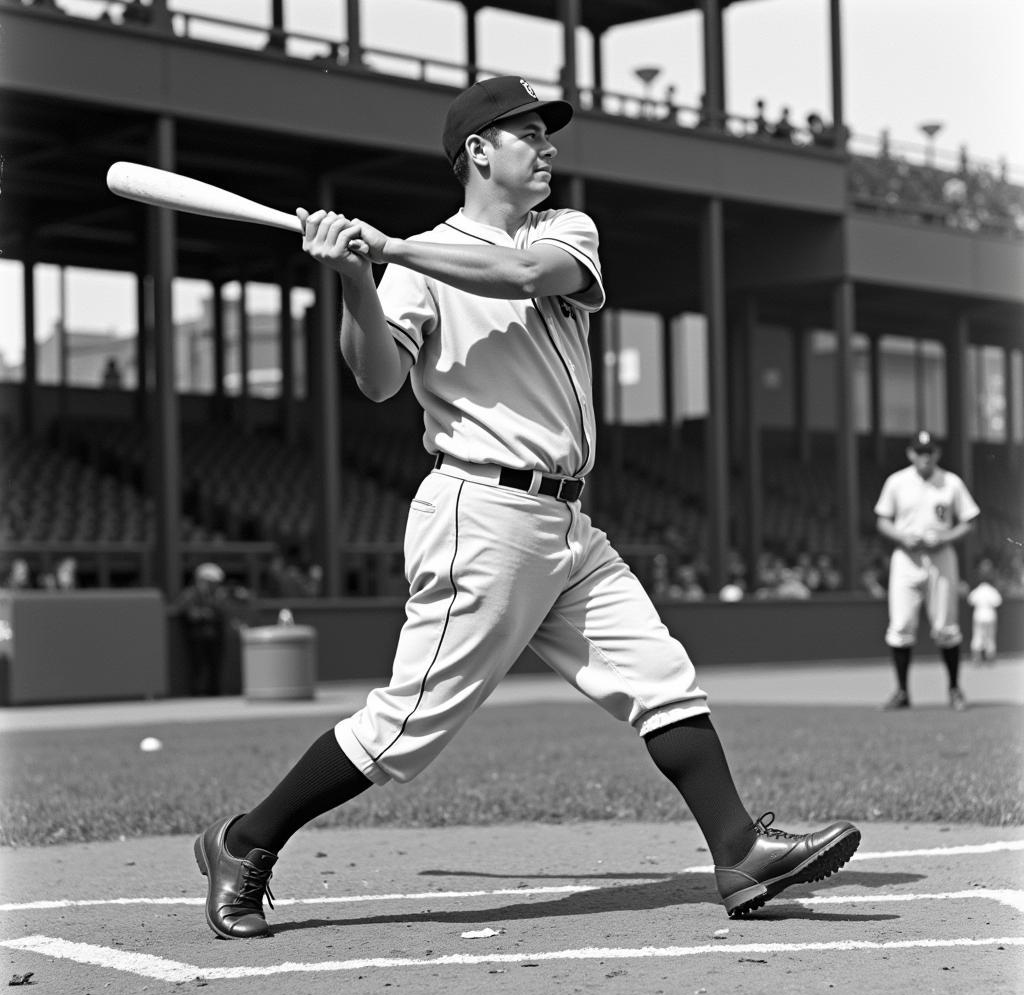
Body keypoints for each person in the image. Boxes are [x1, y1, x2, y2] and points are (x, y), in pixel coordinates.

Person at [194, 75, 860, 940]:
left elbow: (515, 274)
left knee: (660, 677)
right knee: (404, 730)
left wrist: (389, 247)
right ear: (477, 151)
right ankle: (243, 842)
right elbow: (377, 380)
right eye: (526, 135)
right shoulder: (414, 266)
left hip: (570, 521)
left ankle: (738, 850)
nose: (547, 148)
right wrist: (357, 278)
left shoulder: (562, 232)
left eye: (547, 136)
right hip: (483, 512)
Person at [874, 430, 980, 710]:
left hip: (941, 556)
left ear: (937, 453)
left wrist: (944, 538)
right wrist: (901, 537)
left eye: (929, 451)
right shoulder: (897, 482)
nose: (925, 456)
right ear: (910, 453)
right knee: (900, 624)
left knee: (946, 625)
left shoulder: (951, 482)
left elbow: (969, 520)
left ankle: (955, 689)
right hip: (906, 557)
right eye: (919, 451)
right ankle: (902, 691)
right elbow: (882, 520)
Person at [175, 562, 238, 697]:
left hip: (215, 637)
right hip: (197, 637)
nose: (212, 586)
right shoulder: (190, 594)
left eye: (214, 583)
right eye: (209, 582)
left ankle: (214, 692)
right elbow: (185, 612)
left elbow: (223, 611)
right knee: (197, 667)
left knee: (215, 666)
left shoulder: (218, 596)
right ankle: (196, 693)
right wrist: (202, 614)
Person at [967, 558, 1002, 665]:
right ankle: (989, 658)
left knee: (978, 636)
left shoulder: (978, 590)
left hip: (979, 615)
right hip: (990, 615)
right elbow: (998, 602)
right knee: (989, 637)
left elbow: (970, 601)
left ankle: (977, 658)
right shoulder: (991, 590)